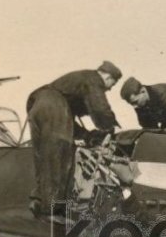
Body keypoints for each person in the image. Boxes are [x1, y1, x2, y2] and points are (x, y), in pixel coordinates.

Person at [25, 60, 122, 218]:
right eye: (112, 83)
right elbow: (100, 109)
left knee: (44, 157)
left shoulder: (73, 84)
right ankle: (53, 210)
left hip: (37, 105)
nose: (110, 88)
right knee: (60, 157)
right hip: (52, 105)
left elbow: (67, 123)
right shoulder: (93, 78)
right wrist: (111, 128)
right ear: (107, 76)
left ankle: (39, 201)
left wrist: (87, 135)